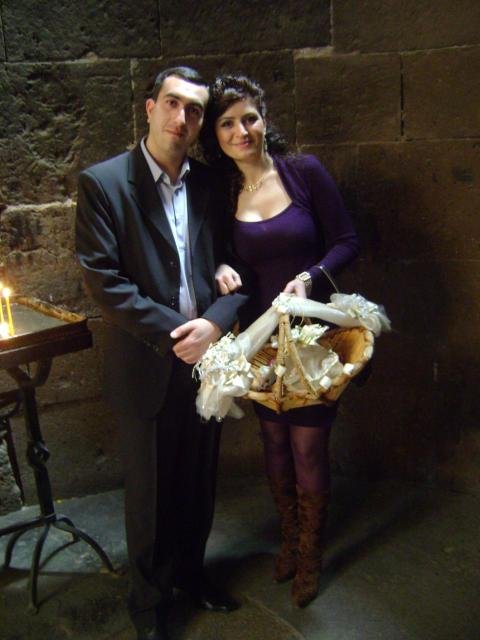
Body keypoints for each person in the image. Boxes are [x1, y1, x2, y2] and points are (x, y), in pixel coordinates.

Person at [75, 67, 246, 640]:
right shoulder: (104, 184)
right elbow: (105, 282)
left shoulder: (211, 184)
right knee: (149, 496)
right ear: (149, 108)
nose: (182, 118)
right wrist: (184, 332)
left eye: (194, 110)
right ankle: (149, 606)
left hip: (208, 362)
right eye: (172, 103)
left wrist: (215, 324)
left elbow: (236, 265)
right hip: (146, 364)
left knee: (198, 483)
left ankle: (192, 576)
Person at [199, 74, 360, 608]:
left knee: (307, 444)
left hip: (313, 336)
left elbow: (347, 240)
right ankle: (289, 538)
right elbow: (219, 255)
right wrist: (220, 265)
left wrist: (311, 276)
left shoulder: (302, 171)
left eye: (249, 118)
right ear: (216, 136)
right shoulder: (223, 194)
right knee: (272, 439)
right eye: (227, 124)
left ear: (264, 118)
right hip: (261, 339)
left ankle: (311, 554)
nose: (241, 131)